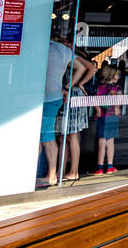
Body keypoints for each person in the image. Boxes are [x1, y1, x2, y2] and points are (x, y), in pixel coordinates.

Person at [39, 35, 96, 186]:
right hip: (61, 94)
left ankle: (60, 173)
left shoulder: (64, 50)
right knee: (62, 136)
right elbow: (87, 68)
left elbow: (90, 68)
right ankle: (60, 172)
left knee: (61, 136)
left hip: (61, 94)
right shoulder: (66, 51)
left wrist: (73, 86)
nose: (65, 43)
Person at [91, 64, 122, 175]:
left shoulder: (99, 87)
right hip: (112, 116)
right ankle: (109, 166)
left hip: (103, 116)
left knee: (101, 142)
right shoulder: (117, 88)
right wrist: (118, 110)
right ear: (112, 75)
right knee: (110, 142)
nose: (119, 77)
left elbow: (95, 100)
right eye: (118, 74)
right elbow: (118, 102)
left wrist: (98, 110)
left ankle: (99, 167)